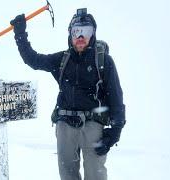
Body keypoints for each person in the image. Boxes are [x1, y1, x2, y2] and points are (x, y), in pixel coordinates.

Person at [10, 8, 126, 180]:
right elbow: (33, 60)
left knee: (95, 174)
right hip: (65, 124)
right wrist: (20, 34)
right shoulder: (62, 60)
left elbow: (116, 97)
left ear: (93, 34)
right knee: (67, 174)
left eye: (85, 31)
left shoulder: (103, 61)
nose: (80, 37)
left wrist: (115, 131)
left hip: (93, 124)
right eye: (76, 31)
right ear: (70, 34)